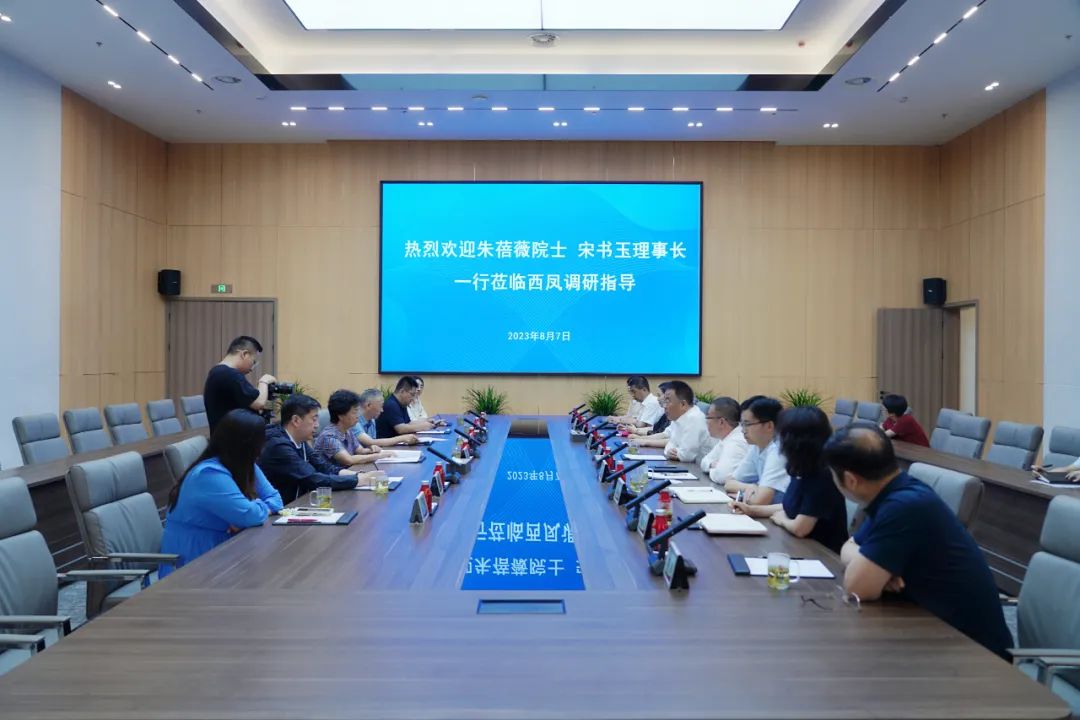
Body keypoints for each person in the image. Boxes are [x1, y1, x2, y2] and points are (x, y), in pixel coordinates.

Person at [826, 423, 1012, 659]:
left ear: (851, 480)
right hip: (934, 633)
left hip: (972, 655)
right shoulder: (895, 494)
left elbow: (857, 588)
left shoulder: (904, 506)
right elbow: (849, 546)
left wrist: (870, 566)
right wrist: (871, 565)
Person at [160, 409, 283, 578]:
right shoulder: (209, 474)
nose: (262, 448)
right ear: (248, 444)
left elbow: (276, 500)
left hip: (224, 551)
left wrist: (245, 515)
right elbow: (249, 515)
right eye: (261, 441)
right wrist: (249, 513)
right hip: (192, 564)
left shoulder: (244, 464)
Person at [730, 406, 849, 553]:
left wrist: (782, 520)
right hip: (799, 545)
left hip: (822, 553)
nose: (779, 442)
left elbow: (800, 528)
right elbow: (791, 506)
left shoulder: (823, 473)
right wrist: (752, 510)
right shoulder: (801, 466)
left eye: (783, 436)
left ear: (797, 440)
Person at [258, 393, 365, 503]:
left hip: (298, 504)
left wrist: (358, 476)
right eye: (314, 419)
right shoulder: (278, 446)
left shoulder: (300, 440)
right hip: (279, 510)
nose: (317, 425)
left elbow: (323, 466)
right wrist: (356, 480)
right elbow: (312, 479)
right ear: (296, 420)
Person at [722, 396, 791, 505]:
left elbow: (760, 501)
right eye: (742, 424)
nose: (743, 430)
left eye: (747, 424)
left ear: (769, 426)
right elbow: (729, 483)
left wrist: (744, 495)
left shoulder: (779, 450)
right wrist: (750, 487)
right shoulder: (757, 445)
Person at [203, 335, 276, 431]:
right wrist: (264, 381)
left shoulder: (218, 372)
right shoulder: (230, 374)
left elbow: (251, 402)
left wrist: (274, 404)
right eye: (253, 362)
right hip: (233, 438)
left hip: (228, 435)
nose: (251, 369)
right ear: (244, 354)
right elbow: (259, 402)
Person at [314, 389, 390, 467]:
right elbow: (348, 460)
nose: (358, 415)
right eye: (354, 412)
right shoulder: (329, 436)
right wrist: (378, 456)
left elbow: (360, 450)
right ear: (341, 415)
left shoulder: (347, 431)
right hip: (332, 474)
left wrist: (371, 449)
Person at [700, 396, 750, 484]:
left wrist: (713, 469)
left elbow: (722, 477)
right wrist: (712, 465)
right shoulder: (727, 437)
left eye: (708, 418)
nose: (706, 422)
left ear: (721, 422)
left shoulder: (736, 441)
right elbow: (704, 462)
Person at [661, 380, 710, 463]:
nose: (664, 406)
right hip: (688, 466)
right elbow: (669, 446)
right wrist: (673, 451)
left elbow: (686, 456)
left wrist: (675, 451)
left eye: (668, 401)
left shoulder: (695, 418)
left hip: (699, 469)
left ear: (683, 404)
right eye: (664, 401)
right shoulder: (677, 419)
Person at [627, 382, 674, 446]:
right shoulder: (667, 414)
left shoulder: (652, 403)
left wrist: (643, 440)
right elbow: (662, 433)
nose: (657, 399)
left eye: (659, 395)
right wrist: (639, 437)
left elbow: (670, 440)